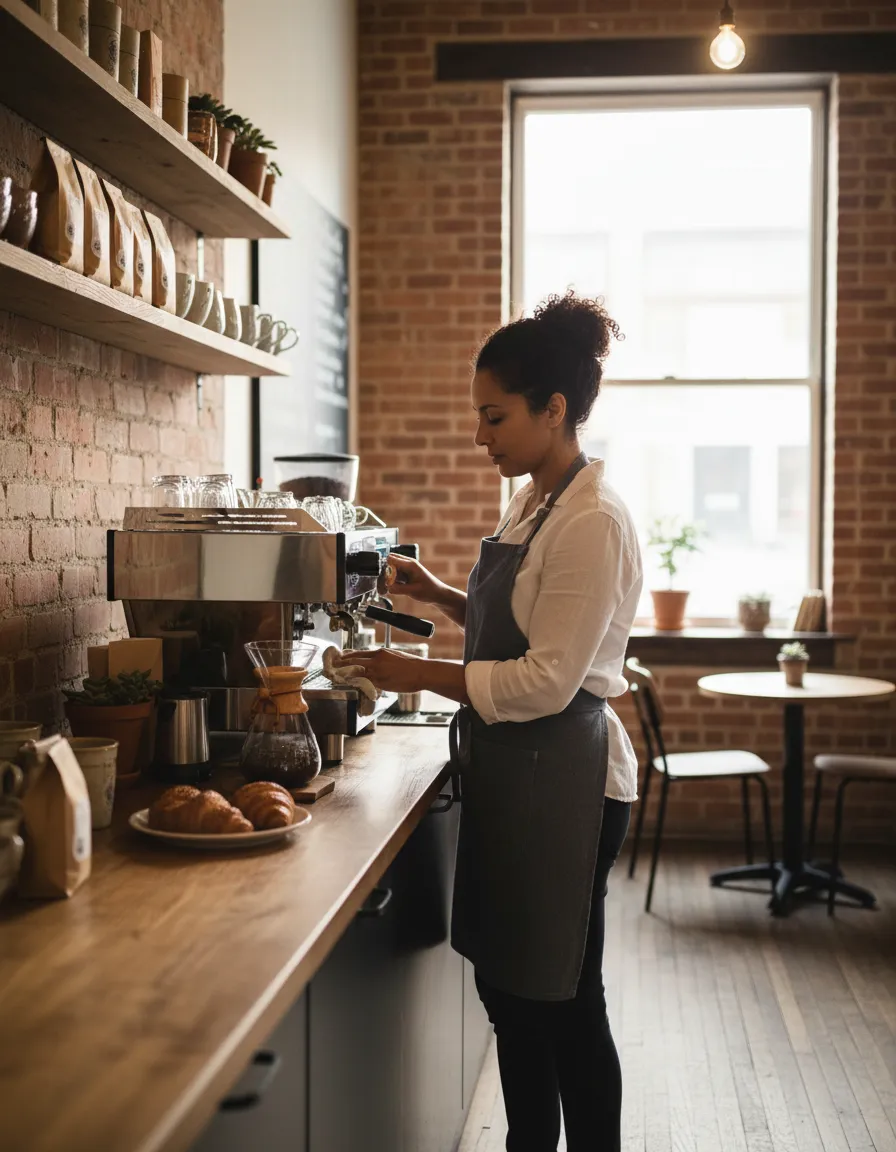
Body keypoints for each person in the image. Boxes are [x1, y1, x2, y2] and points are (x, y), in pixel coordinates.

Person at [335, 290, 643, 1152]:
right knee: (514, 995)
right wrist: (436, 595)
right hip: (521, 775)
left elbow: (548, 679)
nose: (481, 436)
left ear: (555, 411)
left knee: (565, 996)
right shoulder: (535, 500)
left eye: (494, 416)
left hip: (570, 784)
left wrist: (413, 671)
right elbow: (523, 626)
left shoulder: (592, 520)